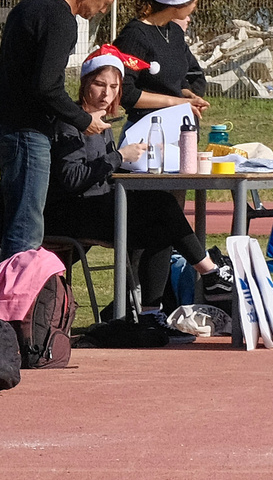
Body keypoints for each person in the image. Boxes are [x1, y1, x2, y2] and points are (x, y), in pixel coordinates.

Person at [0, 0, 125, 270]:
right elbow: (47, 86)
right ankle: (13, 309)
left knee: (19, 214)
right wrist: (81, 119)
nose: (103, 10)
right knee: (27, 226)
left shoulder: (34, 4)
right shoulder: (62, 20)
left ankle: (5, 300)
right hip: (25, 130)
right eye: (106, 1)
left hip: (2, 123)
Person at [45, 46, 223, 310]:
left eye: (114, 87)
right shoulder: (70, 123)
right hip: (71, 214)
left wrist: (139, 162)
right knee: (161, 205)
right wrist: (119, 157)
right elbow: (72, 178)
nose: (106, 93)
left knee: (161, 228)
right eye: (98, 84)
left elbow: (103, 171)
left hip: (98, 206)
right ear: (84, 84)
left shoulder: (103, 122)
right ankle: (211, 274)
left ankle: (151, 312)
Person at [117, 0, 213, 120]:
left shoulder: (174, 31)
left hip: (177, 125)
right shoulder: (135, 35)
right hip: (146, 127)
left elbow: (174, 82)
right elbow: (124, 91)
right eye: (195, 2)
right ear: (178, 4)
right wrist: (175, 102)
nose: (195, 8)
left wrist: (189, 96)